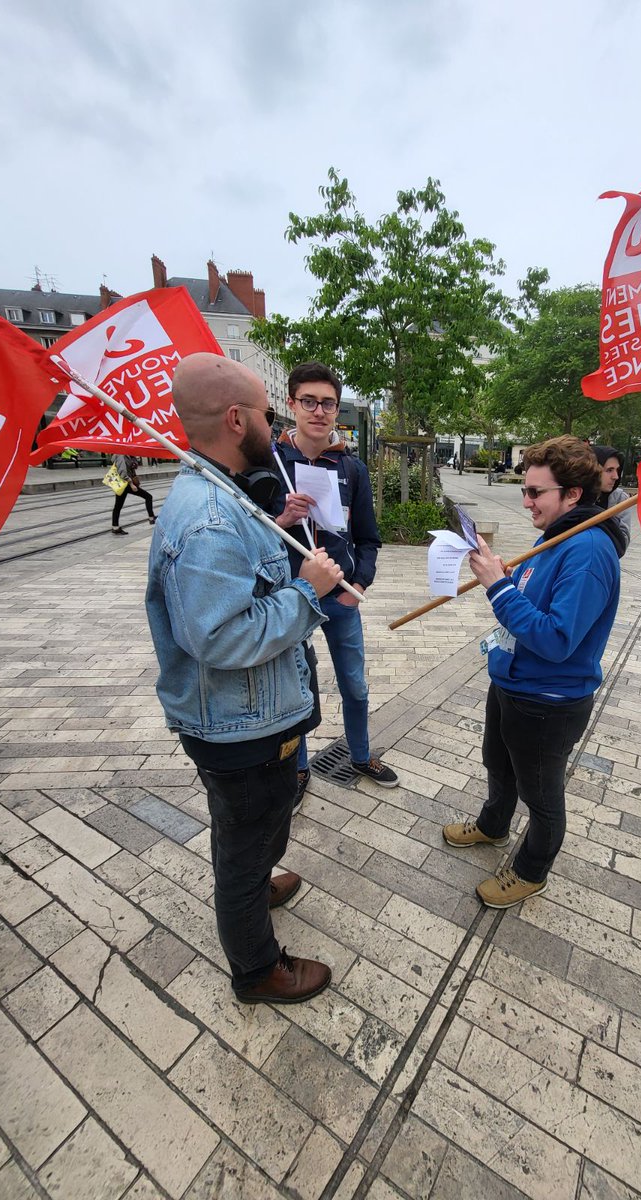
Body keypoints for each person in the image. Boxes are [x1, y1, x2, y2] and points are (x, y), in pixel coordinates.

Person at [145, 352, 344, 1005]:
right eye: (265, 412)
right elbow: (220, 636)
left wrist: (280, 532)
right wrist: (307, 594)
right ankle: (258, 968)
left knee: (263, 824)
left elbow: (239, 578)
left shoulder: (227, 492)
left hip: (259, 716)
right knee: (243, 840)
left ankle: (257, 879)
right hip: (237, 728)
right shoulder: (205, 518)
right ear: (236, 419)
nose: (274, 423)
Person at [442, 436, 625, 907]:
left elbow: (557, 639)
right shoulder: (557, 536)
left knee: (541, 797)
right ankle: (492, 826)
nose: (526, 501)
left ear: (573, 495)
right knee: (498, 766)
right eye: (525, 489)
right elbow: (532, 597)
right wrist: (508, 577)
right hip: (511, 682)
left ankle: (530, 870)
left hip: (548, 701)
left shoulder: (587, 551)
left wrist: (498, 589)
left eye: (536, 492)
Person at [272, 362, 398, 798]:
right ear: (291, 403)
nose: (318, 411)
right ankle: (300, 766)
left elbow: (368, 537)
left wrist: (358, 586)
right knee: (296, 684)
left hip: (340, 598)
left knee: (355, 682)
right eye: (308, 401)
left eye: (327, 403)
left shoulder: (352, 469)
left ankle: (360, 754)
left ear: (336, 409)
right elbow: (249, 535)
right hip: (292, 597)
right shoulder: (271, 464)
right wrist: (282, 518)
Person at [592, 445, 632, 550]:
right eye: (609, 470)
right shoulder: (574, 496)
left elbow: (622, 542)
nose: (616, 476)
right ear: (593, 470)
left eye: (617, 470)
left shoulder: (621, 499)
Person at [111, 454, 156, 535]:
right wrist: (131, 484)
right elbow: (122, 472)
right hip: (126, 484)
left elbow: (134, 466)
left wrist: (134, 459)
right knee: (148, 496)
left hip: (124, 484)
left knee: (118, 506)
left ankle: (115, 527)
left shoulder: (129, 455)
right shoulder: (121, 456)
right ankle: (151, 518)